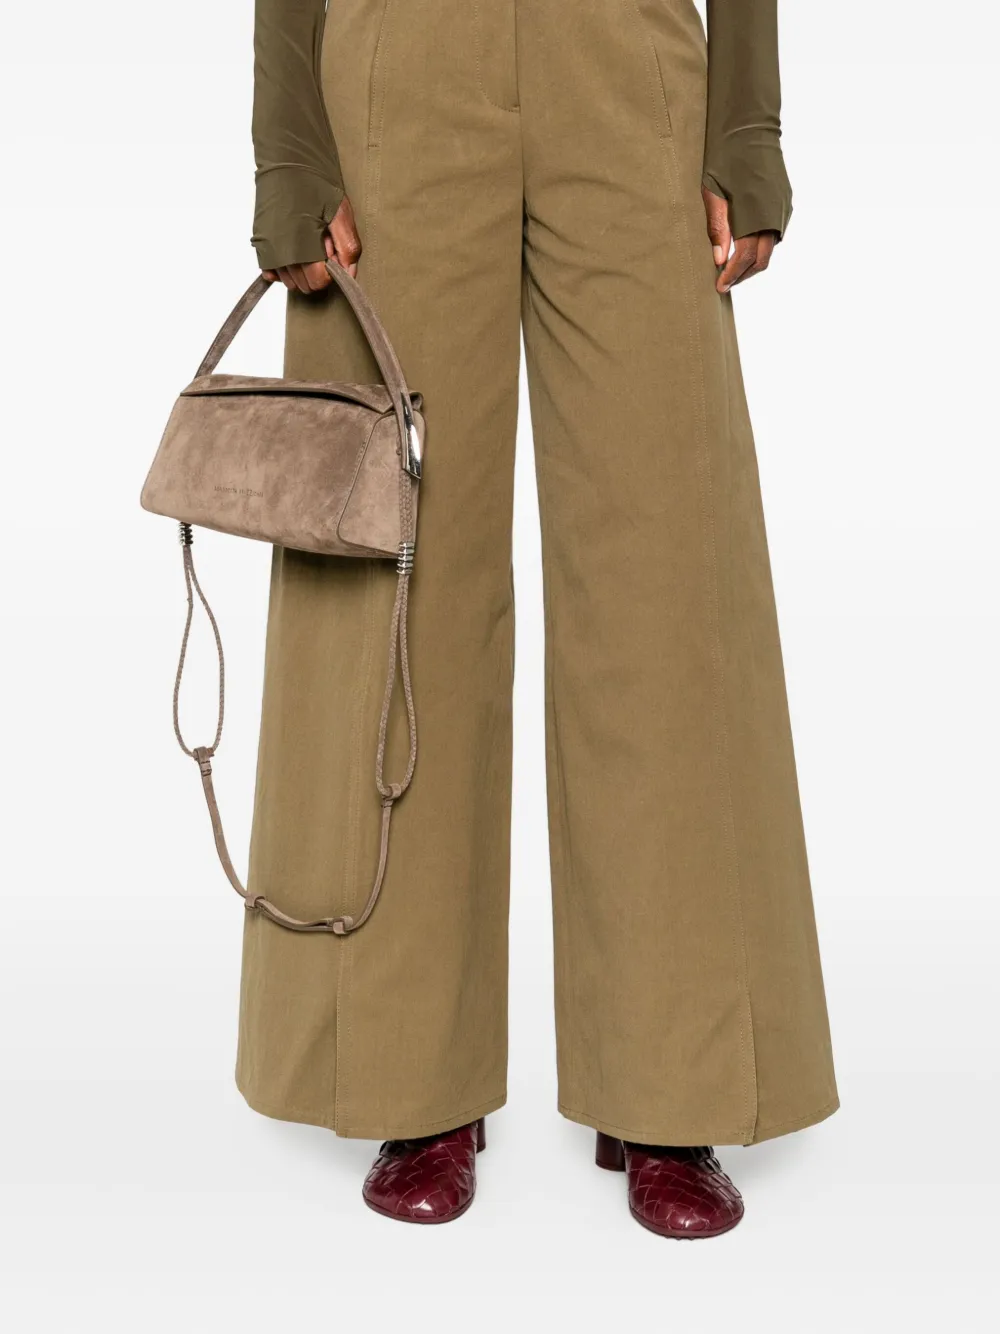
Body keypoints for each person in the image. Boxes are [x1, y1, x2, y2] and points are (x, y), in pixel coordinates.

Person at [237, 0, 837, 1237]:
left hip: (625, 69)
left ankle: (671, 1083)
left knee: (669, 588)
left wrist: (746, 123)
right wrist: (290, 141)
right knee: (394, 572)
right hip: (399, 72)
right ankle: (408, 1074)